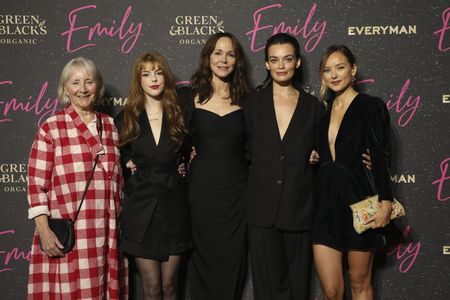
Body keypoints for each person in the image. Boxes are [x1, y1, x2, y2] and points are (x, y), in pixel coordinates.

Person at [26, 57, 127, 299]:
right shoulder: (52, 127)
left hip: (107, 230)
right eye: (75, 82)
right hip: (71, 233)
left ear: (97, 87)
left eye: (89, 82)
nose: (82, 89)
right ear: (65, 89)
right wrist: (44, 230)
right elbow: (36, 183)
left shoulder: (111, 126)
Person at [244, 33, 324, 300]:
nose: (281, 66)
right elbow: (238, 151)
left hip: (299, 208)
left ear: (297, 62)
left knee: (298, 287)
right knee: (266, 289)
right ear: (266, 64)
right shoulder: (251, 103)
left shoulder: (313, 106)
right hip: (261, 211)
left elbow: (325, 152)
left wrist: (317, 155)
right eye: (274, 60)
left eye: (287, 59)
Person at [312, 44, 393, 300]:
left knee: (360, 285)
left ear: (353, 70)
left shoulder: (371, 106)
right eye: (327, 70)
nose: (334, 75)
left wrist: (386, 203)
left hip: (358, 199)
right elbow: (322, 154)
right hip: (325, 204)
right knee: (331, 291)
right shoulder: (321, 114)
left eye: (340, 67)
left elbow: (380, 157)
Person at [177, 32, 250, 300]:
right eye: (218, 53)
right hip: (200, 193)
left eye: (230, 54)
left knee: (232, 262)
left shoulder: (249, 100)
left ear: (237, 60)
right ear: (208, 57)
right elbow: (157, 129)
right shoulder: (187, 97)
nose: (224, 59)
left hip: (237, 195)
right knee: (201, 261)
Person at [114, 52, 192, 300]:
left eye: (158, 72)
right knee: (151, 287)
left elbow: (196, 153)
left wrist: (185, 167)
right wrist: (127, 166)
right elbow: (116, 164)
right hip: (141, 211)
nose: (153, 78)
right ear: (139, 80)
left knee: (170, 286)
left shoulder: (181, 115)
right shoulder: (125, 118)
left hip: (174, 209)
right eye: (146, 74)